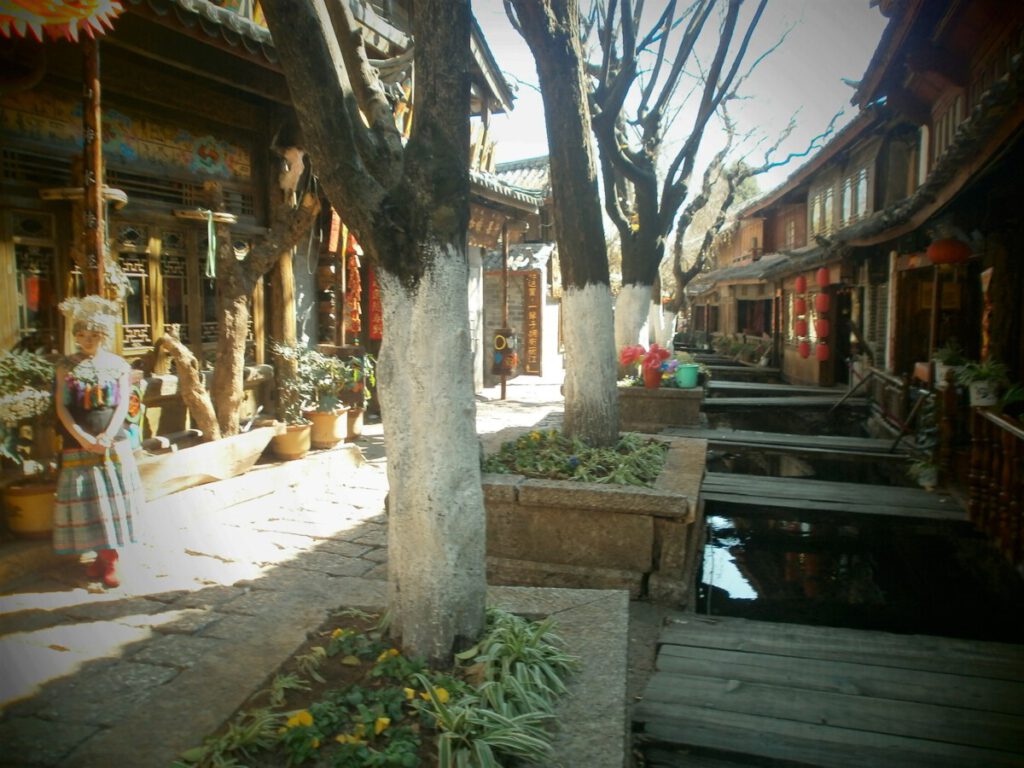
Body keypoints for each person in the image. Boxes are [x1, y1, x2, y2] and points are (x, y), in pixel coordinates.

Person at [52, 296, 145, 589]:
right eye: (81, 335)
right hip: (78, 442)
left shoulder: (118, 365)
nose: (86, 341)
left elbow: (121, 405)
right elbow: (61, 406)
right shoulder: (66, 366)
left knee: (110, 502)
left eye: (93, 336)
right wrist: (82, 436)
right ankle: (100, 557)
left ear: (103, 336)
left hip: (111, 443)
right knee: (87, 504)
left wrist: (106, 436)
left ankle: (110, 559)